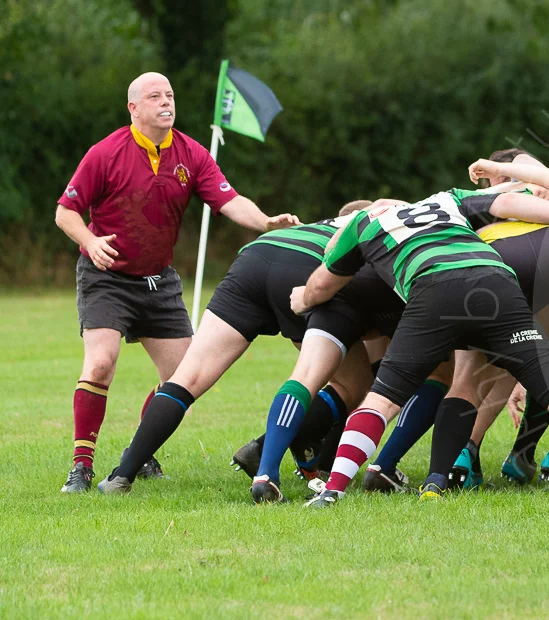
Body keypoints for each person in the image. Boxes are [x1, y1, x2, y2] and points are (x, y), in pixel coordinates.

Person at [296, 193, 549, 508]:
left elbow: (325, 279)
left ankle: (333, 491)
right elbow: (507, 202)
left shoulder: (363, 221)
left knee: (384, 399)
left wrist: (303, 299)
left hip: (434, 288)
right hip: (496, 282)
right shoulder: (446, 199)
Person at [54, 71, 297, 493]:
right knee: (100, 364)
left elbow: (229, 199)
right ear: (134, 108)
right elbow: (65, 213)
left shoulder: (191, 153)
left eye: (169, 94)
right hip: (107, 277)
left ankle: (139, 452)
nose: (166, 102)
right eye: (154, 96)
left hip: (159, 281)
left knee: (184, 376)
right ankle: (81, 467)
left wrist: (265, 222)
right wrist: (91, 242)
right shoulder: (105, 152)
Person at [93, 202, 397, 498]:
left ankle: (122, 474)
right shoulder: (382, 230)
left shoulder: (324, 223)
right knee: (351, 384)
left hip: (256, 255)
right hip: (307, 267)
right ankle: (268, 453)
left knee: (188, 376)